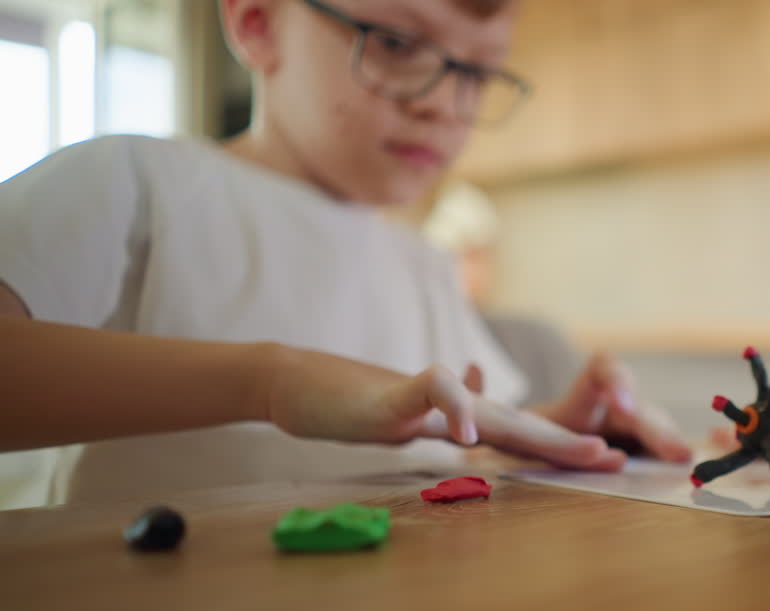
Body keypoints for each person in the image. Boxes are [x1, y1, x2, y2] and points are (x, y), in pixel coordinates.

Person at [0, 0, 691, 502]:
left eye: (478, 74)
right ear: (257, 21)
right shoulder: (133, 183)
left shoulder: (421, 262)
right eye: (395, 42)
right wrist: (272, 382)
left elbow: (452, 436)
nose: (445, 105)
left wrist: (558, 431)